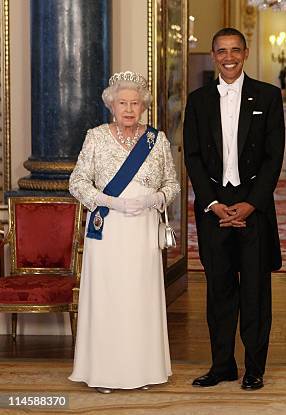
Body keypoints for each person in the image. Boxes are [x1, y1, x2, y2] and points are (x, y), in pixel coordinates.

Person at [184, 28, 284, 391]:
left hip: (254, 208)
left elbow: (274, 158)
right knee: (219, 291)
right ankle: (222, 365)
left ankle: (254, 368)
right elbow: (192, 156)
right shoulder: (197, 100)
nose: (229, 57)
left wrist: (250, 204)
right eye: (222, 51)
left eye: (235, 50)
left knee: (256, 292)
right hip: (213, 208)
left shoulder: (269, 96)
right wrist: (213, 204)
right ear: (213, 55)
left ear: (246, 52)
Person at [68, 71, 180, 393]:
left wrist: (155, 198)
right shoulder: (96, 136)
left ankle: (143, 371)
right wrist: (106, 201)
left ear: (143, 106)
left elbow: (171, 184)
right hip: (108, 229)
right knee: (109, 299)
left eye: (135, 103)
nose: (129, 109)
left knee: (139, 299)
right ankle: (105, 373)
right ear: (111, 105)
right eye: (122, 103)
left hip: (142, 229)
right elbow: (77, 183)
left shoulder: (156, 140)